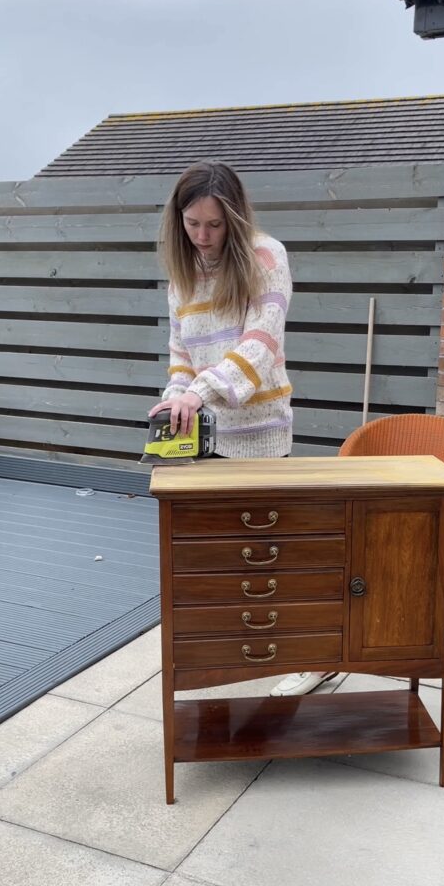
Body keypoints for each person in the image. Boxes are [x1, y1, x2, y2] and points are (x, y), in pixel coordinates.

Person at [149, 160, 335, 698]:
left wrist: (197, 392)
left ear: (233, 218)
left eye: (213, 225)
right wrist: (173, 401)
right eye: (191, 224)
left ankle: (317, 656)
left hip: (260, 433)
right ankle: (243, 653)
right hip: (205, 438)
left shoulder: (265, 256)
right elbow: (181, 354)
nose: (202, 237)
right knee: (221, 558)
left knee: (276, 555)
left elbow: (260, 345)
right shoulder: (182, 274)